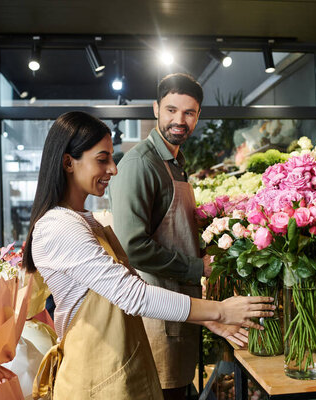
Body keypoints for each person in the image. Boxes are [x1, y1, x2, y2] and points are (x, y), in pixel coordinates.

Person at [22, 111, 274, 400]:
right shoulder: (59, 226)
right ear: (68, 162)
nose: (114, 170)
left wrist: (206, 320)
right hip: (92, 378)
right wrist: (220, 310)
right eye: (102, 159)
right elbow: (134, 295)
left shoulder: (85, 220)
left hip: (117, 367)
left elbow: (131, 288)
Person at [109, 73, 209, 399]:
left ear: (197, 116)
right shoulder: (140, 164)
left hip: (181, 309)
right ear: (156, 109)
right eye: (171, 110)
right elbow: (132, 247)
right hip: (157, 314)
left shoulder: (177, 162)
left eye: (189, 112)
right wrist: (198, 267)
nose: (179, 120)